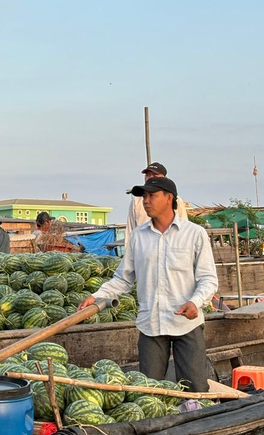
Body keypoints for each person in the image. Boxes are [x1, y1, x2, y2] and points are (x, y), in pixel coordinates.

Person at [78, 177, 218, 392]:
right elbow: (123, 279)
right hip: (151, 324)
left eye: (152, 195)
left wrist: (195, 302)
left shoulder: (194, 234)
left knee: (196, 389)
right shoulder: (138, 236)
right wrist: (97, 296)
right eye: (144, 196)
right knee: (148, 392)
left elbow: (208, 278)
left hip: (186, 323)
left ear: (169, 198)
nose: (145, 201)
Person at [126, 162, 188, 247]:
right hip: (144, 249)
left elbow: (184, 226)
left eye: (155, 175)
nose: (150, 178)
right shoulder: (136, 201)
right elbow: (130, 230)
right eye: (148, 175)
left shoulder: (176, 200)